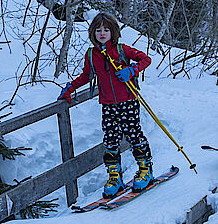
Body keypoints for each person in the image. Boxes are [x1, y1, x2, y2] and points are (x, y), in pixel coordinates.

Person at [57, 13, 154, 197]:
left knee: (134, 136)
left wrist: (132, 70)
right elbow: (87, 76)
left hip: (128, 101)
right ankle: (115, 177)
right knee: (110, 140)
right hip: (108, 105)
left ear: (113, 32)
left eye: (106, 30)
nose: (102, 33)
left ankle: (145, 171)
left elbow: (145, 59)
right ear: (93, 33)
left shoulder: (122, 50)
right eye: (98, 30)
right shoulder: (92, 55)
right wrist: (71, 88)